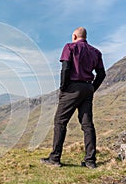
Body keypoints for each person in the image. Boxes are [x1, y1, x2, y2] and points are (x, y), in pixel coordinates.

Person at [40, 27, 106, 169]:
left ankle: (55, 158)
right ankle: (90, 161)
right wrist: (92, 88)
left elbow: (65, 68)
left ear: (74, 36)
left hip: (72, 88)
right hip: (87, 88)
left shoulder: (70, 47)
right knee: (87, 125)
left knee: (60, 122)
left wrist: (63, 87)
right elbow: (101, 74)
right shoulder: (96, 52)